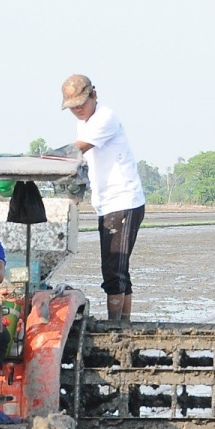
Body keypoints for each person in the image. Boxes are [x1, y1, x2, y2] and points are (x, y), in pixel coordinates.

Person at [61, 73, 145, 321]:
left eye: (80, 104)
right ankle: (124, 325)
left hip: (123, 201)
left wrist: (43, 159)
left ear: (93, 95)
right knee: (119, 271)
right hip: (107, 204)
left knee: (113, 271)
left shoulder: (105, 117)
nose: (77, 110)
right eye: (72, 107)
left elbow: (76, 150)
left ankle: (114, 327)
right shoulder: (84, 123)